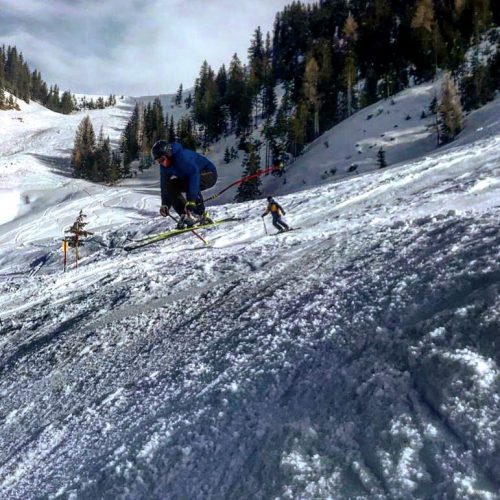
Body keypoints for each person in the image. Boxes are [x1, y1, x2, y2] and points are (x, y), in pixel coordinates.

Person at [151, 140, 218, 229]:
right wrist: (165, 204)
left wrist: (191, 200)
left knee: (188, 180)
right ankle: (187, 216)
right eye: (158, 161)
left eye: (162, 159)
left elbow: (194, 174)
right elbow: (164, 184)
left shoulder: (180, 157)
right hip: (192, 177)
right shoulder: (164, 166)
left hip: (209, 174)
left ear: (168, 154)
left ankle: (200, 215)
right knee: (171, 185)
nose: (161, 163)